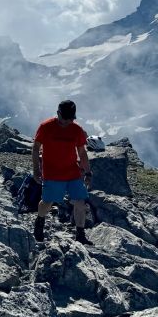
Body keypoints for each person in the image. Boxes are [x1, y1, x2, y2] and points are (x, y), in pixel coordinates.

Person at [31, 99, 92, 244]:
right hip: (52, 173)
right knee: (47, 202)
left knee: (80, 201)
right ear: (58, 113)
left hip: (72, 173)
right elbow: (35, 148)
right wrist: (36, 170)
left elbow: (82, 152)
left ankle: (80, 234)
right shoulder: (45, 127)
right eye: (65, 118)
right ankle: (40, 221)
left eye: (70, 119)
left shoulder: (76, 130)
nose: (67, 122)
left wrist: (88, 172)